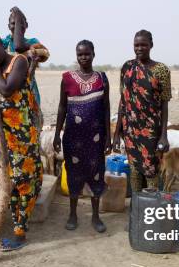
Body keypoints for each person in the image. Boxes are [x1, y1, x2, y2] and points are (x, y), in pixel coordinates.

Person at [0, 32, 43, 251]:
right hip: (3, 136)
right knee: (8, 182)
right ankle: (15, 225)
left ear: (1, 46)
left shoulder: (18, 61)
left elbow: (6, 89)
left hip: (22, 135)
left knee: (25, 182)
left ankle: (20, 232)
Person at [53, 40, 111, 233]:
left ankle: (95, 216)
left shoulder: (102, 78)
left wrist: (109, 138)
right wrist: (56, 134)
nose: (83, 58)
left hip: (96, 138)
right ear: (76, 56)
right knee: (74, 175)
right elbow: (62, 107)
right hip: (73, 137)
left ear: (94, 54)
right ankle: (73, 214)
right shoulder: (67, 78)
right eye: (80, 55)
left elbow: (106, 108)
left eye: (87, 54)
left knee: (96, 174)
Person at [112, 30, 171, 193]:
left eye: (143, 45)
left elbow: (165, 104)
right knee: (135, 173)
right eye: (136, 45)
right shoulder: (127, 67)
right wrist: (117, 133)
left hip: (152, 132)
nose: (140, 48)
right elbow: (123, 101)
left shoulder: (161, 70)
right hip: (130, 131)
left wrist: (164, 135)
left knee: (151, 172)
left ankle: (150, 213)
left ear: (151, 45)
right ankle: (136, 211)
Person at [2, 7, 45, 128]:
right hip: (9, 91)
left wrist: (18, 14)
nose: (16, 27)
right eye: (13, 23)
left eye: (20, 23)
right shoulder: (4, 43)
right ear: (8, 26)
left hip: (29, 92)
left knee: (31, 128)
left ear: (26, 25)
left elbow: (18, 46)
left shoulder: (33, 42)